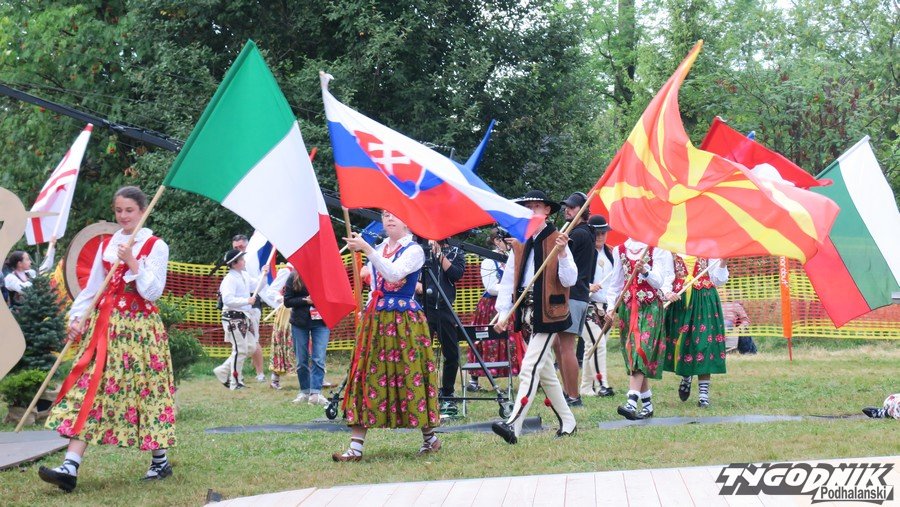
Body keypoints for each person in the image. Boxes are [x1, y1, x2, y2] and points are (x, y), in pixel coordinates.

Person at [40, 186, 175, 492]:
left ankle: (160, 461)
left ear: (142, 211)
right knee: (93, 386)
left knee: (146, 389)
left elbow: (153, 292)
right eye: (118, 210)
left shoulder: (156, 245)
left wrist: (133, 262)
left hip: (141, 330)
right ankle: (70, 466)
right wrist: (77, 318)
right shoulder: (109, 243)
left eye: (129, 210)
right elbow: (93, 288)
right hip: (106, 327)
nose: (123, 216)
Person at [335, 210, 441, 461]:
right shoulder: (379, 248)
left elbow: (394, 274)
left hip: (405, 321)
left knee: (409, 374)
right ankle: (356, 447)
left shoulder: (415, 250)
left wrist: (367, 250)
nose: (389, 218)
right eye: (385, 215)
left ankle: (430, 438)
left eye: (395, 214)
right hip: (376, 318)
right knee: (366, 375)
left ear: (407, 221)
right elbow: (375, 285)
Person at [491, 190, 578, 444]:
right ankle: (569, 422)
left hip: (550, 314)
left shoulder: (558, 239)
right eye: (527, 207)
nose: (531, 211)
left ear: (547, 211)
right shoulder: (520, 241)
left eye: (536, 207)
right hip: (527, 314)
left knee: (529, 367)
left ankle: (513, 424)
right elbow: (509, 278)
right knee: (546, 370)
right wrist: (503, 312)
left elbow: (570, 279)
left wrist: (562, 253)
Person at [604, 238, 674, 420]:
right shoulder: (619, 250)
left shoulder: (656, 248)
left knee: (641, 350)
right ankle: (647, 405)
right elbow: (615, 283)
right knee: (633, 353)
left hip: (650, 307)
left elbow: (659, 281)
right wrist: (610, 308)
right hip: (628, 308)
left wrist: (645, 271)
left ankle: (632, 401)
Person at [663, 256, 729, 408]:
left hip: (704, 299)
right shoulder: (670, 248)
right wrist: (667, 292)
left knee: (704, 344)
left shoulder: (708, 248)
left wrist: (723, 262)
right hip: (680, 300)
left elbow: (718, 280)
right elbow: (666, 274)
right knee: (683, 344)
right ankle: (687, 376)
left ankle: (703, 395)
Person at [416, 237, 465, 419]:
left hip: (445, 308)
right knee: (421, 353)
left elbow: (455, 274)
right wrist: (415, 285)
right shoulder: (418, 249)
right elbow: (406, 274)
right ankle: (421, 392)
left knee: (451, 354)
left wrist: (439, 254)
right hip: (423, 308)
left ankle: (448, 393)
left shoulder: (456, 251)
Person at [555, 192, 596, 407]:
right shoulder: (583, 232)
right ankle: (567, 391)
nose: (567, 210)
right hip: (575, 294)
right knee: (559, 345)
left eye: (572, 207)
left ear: (583, 210)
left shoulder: (577, 234)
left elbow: (558, 260)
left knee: (566, 347)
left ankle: (573, 395)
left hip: (573, 294)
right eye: (566, 207)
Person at [467, 228, 520, 391]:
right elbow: (490, 287)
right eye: (506, 239)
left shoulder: (512, 257)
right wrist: (512, 288)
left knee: (512, 340)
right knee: (485, 339)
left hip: (509, 304)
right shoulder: (489, 261)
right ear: (497, 241)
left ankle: (523, 375)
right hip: (490, 306)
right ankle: (474, 380)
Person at [212, 249, 259, 390]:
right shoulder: (229, 279)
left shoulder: (244, 275)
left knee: (251, 347)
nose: (244, 261)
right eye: (242, 259)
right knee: (240, 349)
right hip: (232, 317)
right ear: (234, 263)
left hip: (244, 316)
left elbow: (257, 285)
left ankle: (223, 370)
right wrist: (246, 301)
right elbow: (227, 299)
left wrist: (264, 274)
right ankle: (235, 382)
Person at [283, 271, 331, 406]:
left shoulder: (325, 274)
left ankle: (316, 393)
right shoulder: (293, 276)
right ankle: (305, 391)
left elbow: (333, 296)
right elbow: (287, 301)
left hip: (321, 322)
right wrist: (305, 300)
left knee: (318, 358)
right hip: (299, 323)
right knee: (301, 360)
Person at [580, 215, 615, 397]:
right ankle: (602, 385)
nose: (600, 236)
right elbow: (572, 277)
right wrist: (588, 287)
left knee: (592, 347)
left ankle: (586, 387)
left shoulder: (611, 254)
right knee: (596, 344)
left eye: (603, 232)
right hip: (587, 304)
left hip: (607, 306)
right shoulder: (583, 252)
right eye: (597, 233)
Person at [231, 234, 269, 383]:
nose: (239, 249)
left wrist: (264, 275)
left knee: (253, 340)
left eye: (241, 247)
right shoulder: (233, 267)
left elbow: (258, 285)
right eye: (236, 247)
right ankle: (237, 373)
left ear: (248, 246)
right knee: (238, 341)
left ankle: (260, 373)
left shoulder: (252, 260)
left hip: (252, 307)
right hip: (236, 309)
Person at [265, 264, 294, 390]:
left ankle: (316, 378)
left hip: (303, 310)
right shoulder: (287, 271)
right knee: (283, 343)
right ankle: (275, 379)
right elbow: (271, 292)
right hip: (286, 313)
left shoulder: (307, 270)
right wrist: (282, 298)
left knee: (308, 343)